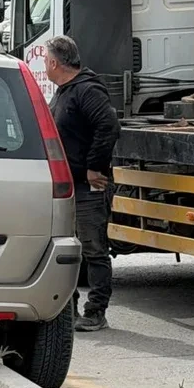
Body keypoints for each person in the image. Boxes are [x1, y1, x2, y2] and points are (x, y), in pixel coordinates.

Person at [45, 35, 121, 332]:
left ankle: (96, 310)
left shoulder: (87, 90)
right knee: (68, 250)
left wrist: (94, 168)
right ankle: (69, 309)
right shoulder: (63, 91)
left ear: (54, 63)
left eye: (45, 62)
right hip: (67, 187)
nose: (44, 66)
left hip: (88, 188)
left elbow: (108, 126)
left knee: (93, 250)